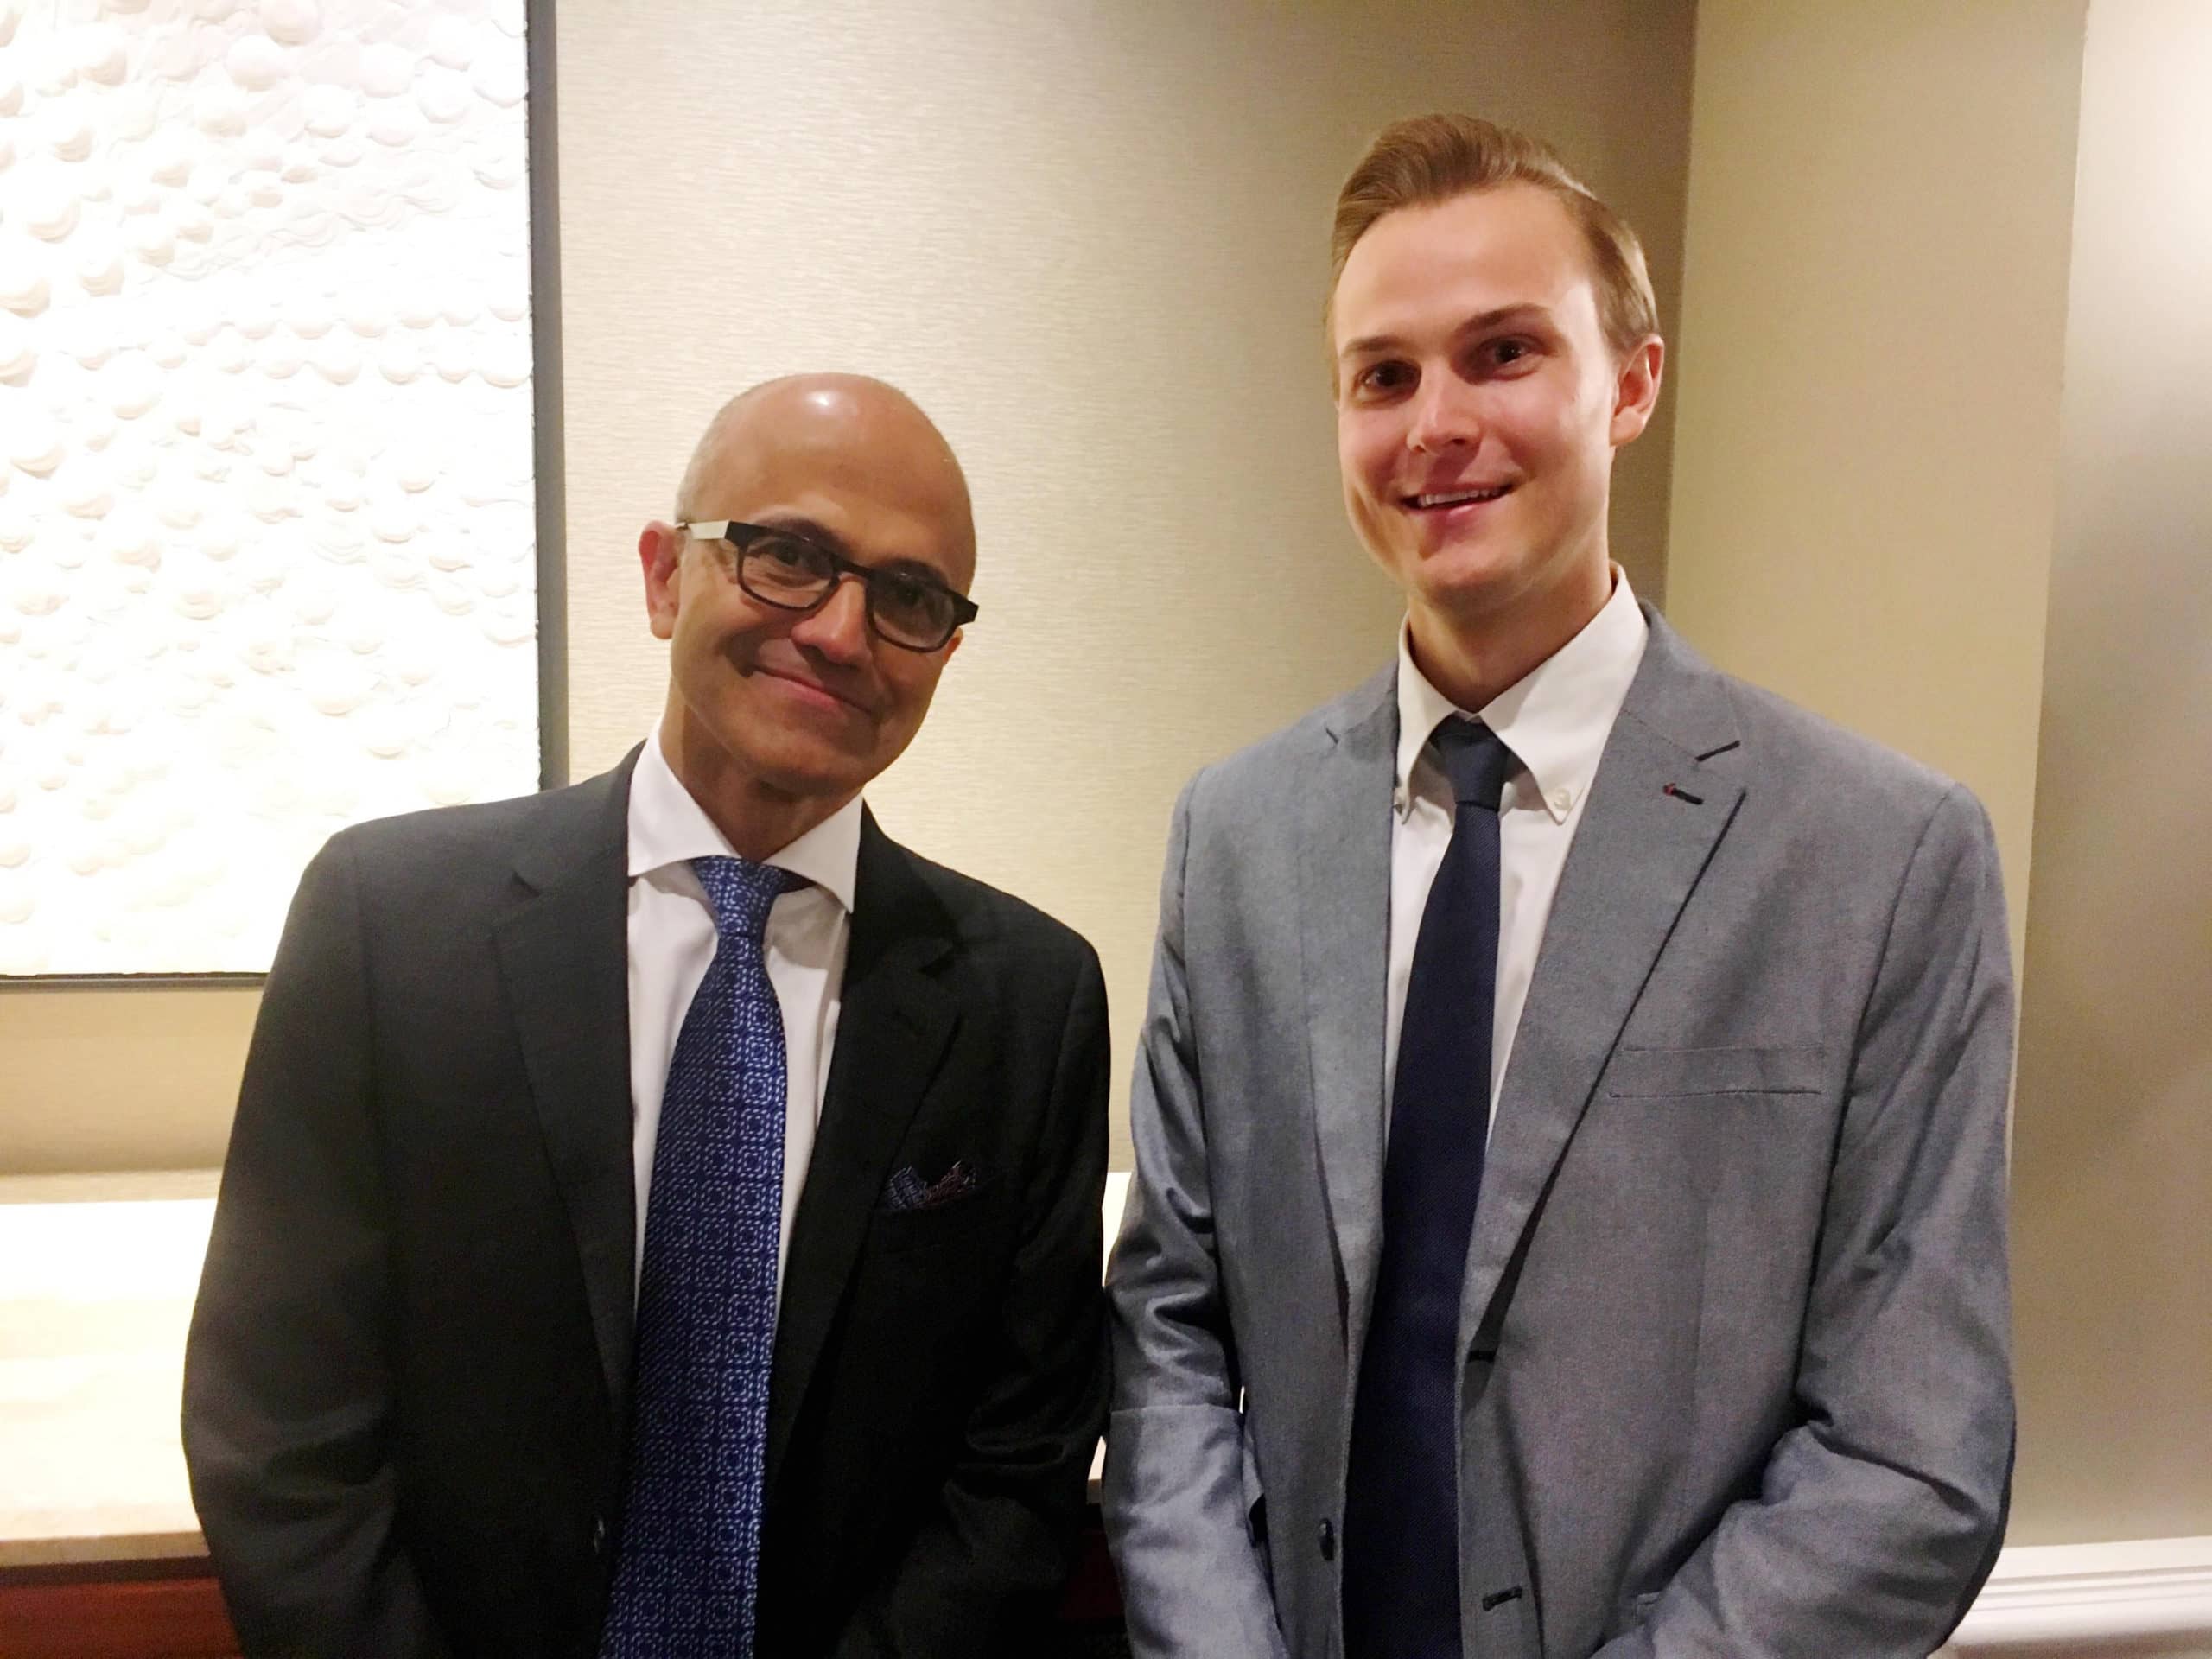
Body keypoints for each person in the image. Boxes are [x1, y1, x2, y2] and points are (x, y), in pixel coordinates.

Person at [1103, 115, 2014, 1658]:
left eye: (1504, 353)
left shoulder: (1880, 858)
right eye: (1383, 376)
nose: (1433, 425)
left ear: (1633, 382)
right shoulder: (1236, 837)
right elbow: (1171, 1334)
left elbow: (1911, 1456)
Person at [184, 373, 1111, 1658]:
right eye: (789, 556)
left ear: (946, 649)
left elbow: (1017, 1472)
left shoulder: (1029, 1002)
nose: (842, 632)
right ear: (667, 574)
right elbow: (278, 1425)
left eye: (906, 597)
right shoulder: (387, 926)